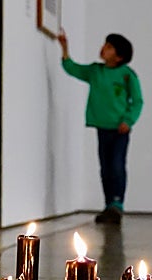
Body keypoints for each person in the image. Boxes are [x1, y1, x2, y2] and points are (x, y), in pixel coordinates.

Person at [58, 29, 143, 224]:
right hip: (102, 127)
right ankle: (108, 206)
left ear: (119, 56)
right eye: (105, 44)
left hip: (120, 129)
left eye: (110, 47)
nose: (103, 48)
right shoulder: (96, 71)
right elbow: (72, 68)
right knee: (105, 167)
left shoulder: (127, 76)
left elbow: (137, 101)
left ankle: (117, 203)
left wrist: (128, 121)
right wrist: (64, 48)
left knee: (116, 164)